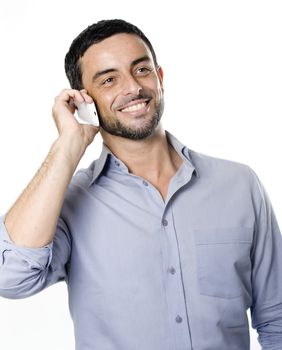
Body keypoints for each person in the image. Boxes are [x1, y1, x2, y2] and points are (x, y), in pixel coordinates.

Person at [0, 19, 281, 350]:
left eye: (142, 70)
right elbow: (12, 278)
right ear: (84, 101)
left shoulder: (239, 185)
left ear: (160, 78)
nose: (132, 87)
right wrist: (66, 147)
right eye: (109, 79)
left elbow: (275, 318)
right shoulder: (71, 201)